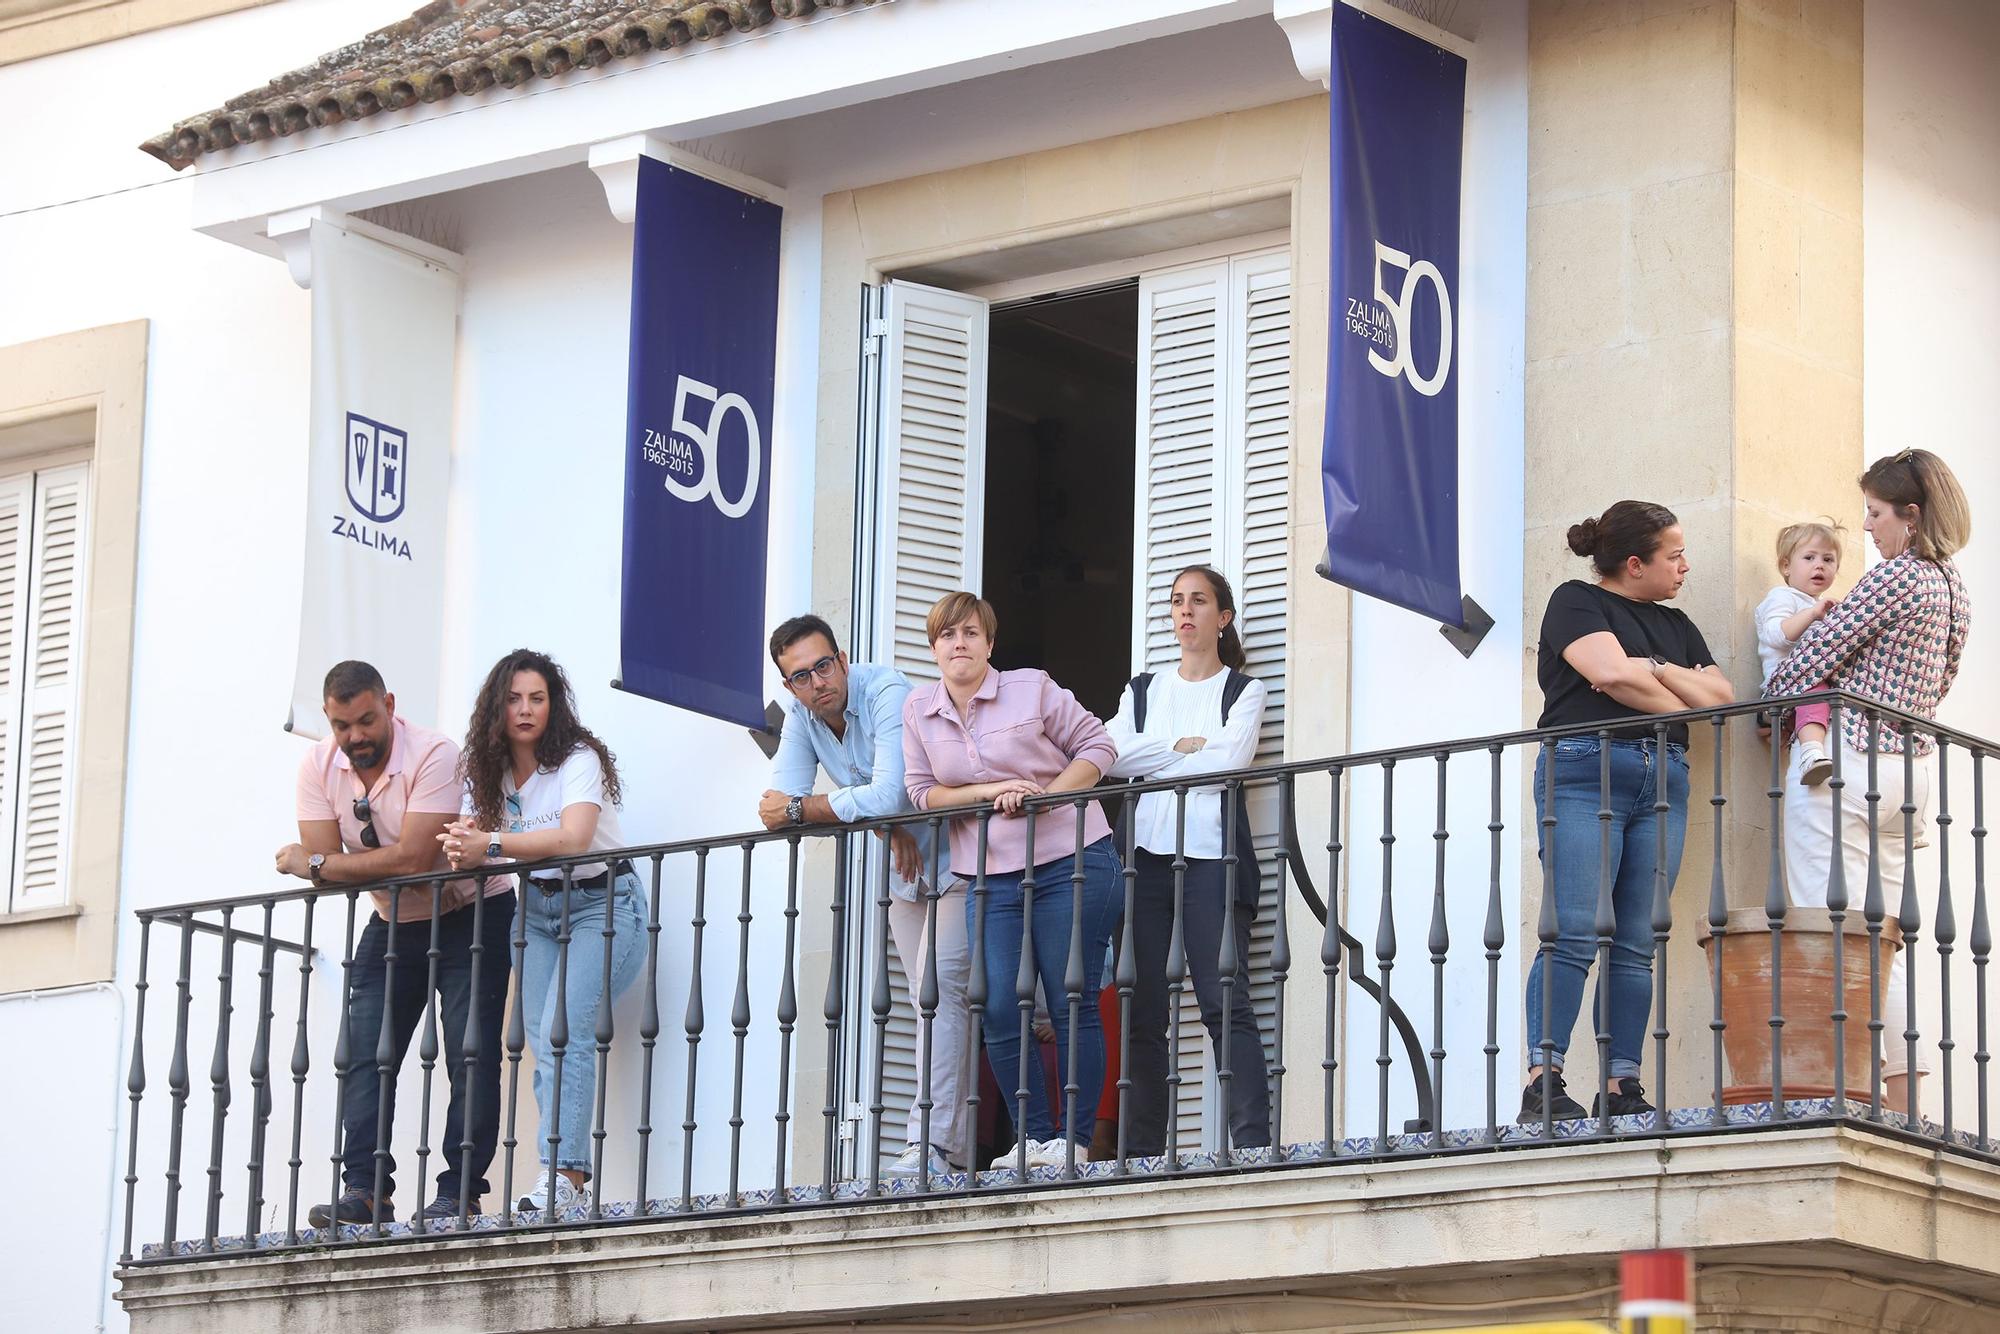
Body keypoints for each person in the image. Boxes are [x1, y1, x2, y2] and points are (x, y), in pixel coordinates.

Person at [1767, 449, 1972, 1105]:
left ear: (1910, 518)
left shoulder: (1897, 577)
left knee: (1831, 928)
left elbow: (1819, 651)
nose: (1867, 528)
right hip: (1911, 777)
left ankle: (1847, 1091)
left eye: (1876, 514)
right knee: (1881, 941)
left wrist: (1768, 706)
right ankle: (1902, 1095)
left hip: (1848, 762)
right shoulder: (1953, 587)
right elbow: (1943, 678)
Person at [280, 661, 515, 1228]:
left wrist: (317, 862)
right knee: (366, 1055)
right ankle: (364, 1191)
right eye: (341, 726)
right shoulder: (317, 766)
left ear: (388, 703)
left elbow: (415, 859)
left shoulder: (434, 753)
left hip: (472, 909)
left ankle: (459, 1193)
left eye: (365, 720)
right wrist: (330, 867)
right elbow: (339, 871)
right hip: (392, 920)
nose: (355, 737)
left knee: (469, 1054)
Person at [1522, 503, 1734, 1125]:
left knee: (1636, 942)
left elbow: (1721, 697)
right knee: (1574, 930)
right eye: (1674, 555)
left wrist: (1655, 669)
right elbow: (1610, 675)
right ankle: (1544, 1080)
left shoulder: (1677, 626)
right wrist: (1673, 691)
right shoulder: (1576, 601)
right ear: (1635, 563)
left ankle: (1621, 1085)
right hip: (1587, 767)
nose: (1685, 566)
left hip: (1664, 777)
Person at [902, 591, 1121, 1170]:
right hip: (986, 877)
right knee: (998, 1007)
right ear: (934, 648)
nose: (960, 644)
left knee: (1068, 998)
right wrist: (985, 794)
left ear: (990, 644)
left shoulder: (1031, 687)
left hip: (1070, 857)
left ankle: (1071, 1142)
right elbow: (923, 792)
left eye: (971, 633)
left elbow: (1098, 745)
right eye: (947, 635)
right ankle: (1032, 1137)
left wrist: (1045, 798)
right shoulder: (919, 709)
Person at [758, 614, 973, 1179]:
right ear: (789, 687)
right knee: (931, 1001)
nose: (817, 682)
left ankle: (932, 1144)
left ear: (843, 659)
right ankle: (950, 1145)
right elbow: (776, 803)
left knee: (937, 991)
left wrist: (874, 814)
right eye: (801, 676)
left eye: (824, 665)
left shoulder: (886, 691)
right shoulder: (804, 718)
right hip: (906, 866)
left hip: (964, 855)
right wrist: (884, 823)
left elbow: (890, 790)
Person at [439, 650, 648, 1217]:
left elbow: (573, 838)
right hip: (532, 910)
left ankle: (567, 1176)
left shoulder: (576, 759)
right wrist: (463, 847)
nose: (526, 710)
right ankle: (557, 1171)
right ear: (496, 708)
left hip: (604, 904)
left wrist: (490, 845)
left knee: (563, 1027)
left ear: (553, 705)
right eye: (513, 699)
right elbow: (469, 839)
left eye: (537, 698)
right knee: (542, 1039)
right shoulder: (486, 770)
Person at [1104, 564, 1272, 1157]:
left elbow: (1228, 762)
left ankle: (1252, 1144)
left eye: (1199, 601)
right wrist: (1182, 748)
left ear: (1222, 618)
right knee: (1142, 1011)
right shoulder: (1143, 690)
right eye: (1177, 601)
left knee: (1224, 1001)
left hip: (1212, 861)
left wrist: (1157, 759)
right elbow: (1112, 754)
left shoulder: (1244, 691)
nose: (1186, 611)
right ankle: (1143, 1151)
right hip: (1144, 859)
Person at [1755, 521, 1846, 786]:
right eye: (1809, 557)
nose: (1819, 565)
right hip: (1786, 682)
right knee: (1816, 691)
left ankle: (1803, 740)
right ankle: (1811, 753)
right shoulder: (1784, 597)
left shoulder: (1819, 605)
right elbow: (1775, 635)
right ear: (1786, 566)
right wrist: (1812, 615)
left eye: (1828, 559)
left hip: (1806, 684)